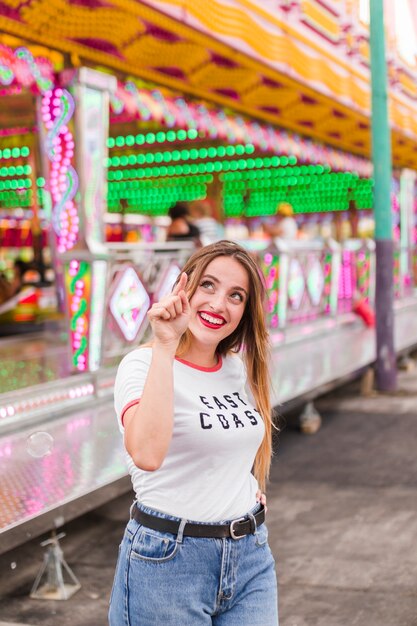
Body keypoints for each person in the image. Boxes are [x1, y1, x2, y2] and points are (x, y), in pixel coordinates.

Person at [109, 240, 278, 626]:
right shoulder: (142, 364)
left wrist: (238, 488)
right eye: (208, 286)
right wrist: (167, 344)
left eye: (236, 296)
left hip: (250, 556)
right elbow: (147, 455)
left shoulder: (239, 370)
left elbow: (234, 446)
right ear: (183, 287)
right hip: (168, 561)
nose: (219, 304)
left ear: (245, 312)